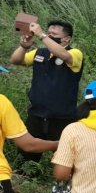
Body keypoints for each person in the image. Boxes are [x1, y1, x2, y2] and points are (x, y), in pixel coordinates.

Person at [9, 20, 83, 162]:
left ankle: (64, 182)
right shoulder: (40, 53)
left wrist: (42, 35)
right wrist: (23, 47)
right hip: (36, 114)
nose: (49, 36)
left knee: (66, 157)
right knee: (26, 159)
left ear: (67, 38)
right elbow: (16, 60)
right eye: (48, 32)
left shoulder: (75, 53)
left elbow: (65, 56)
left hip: (62, 117)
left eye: (53, 34)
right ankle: (29, 179)